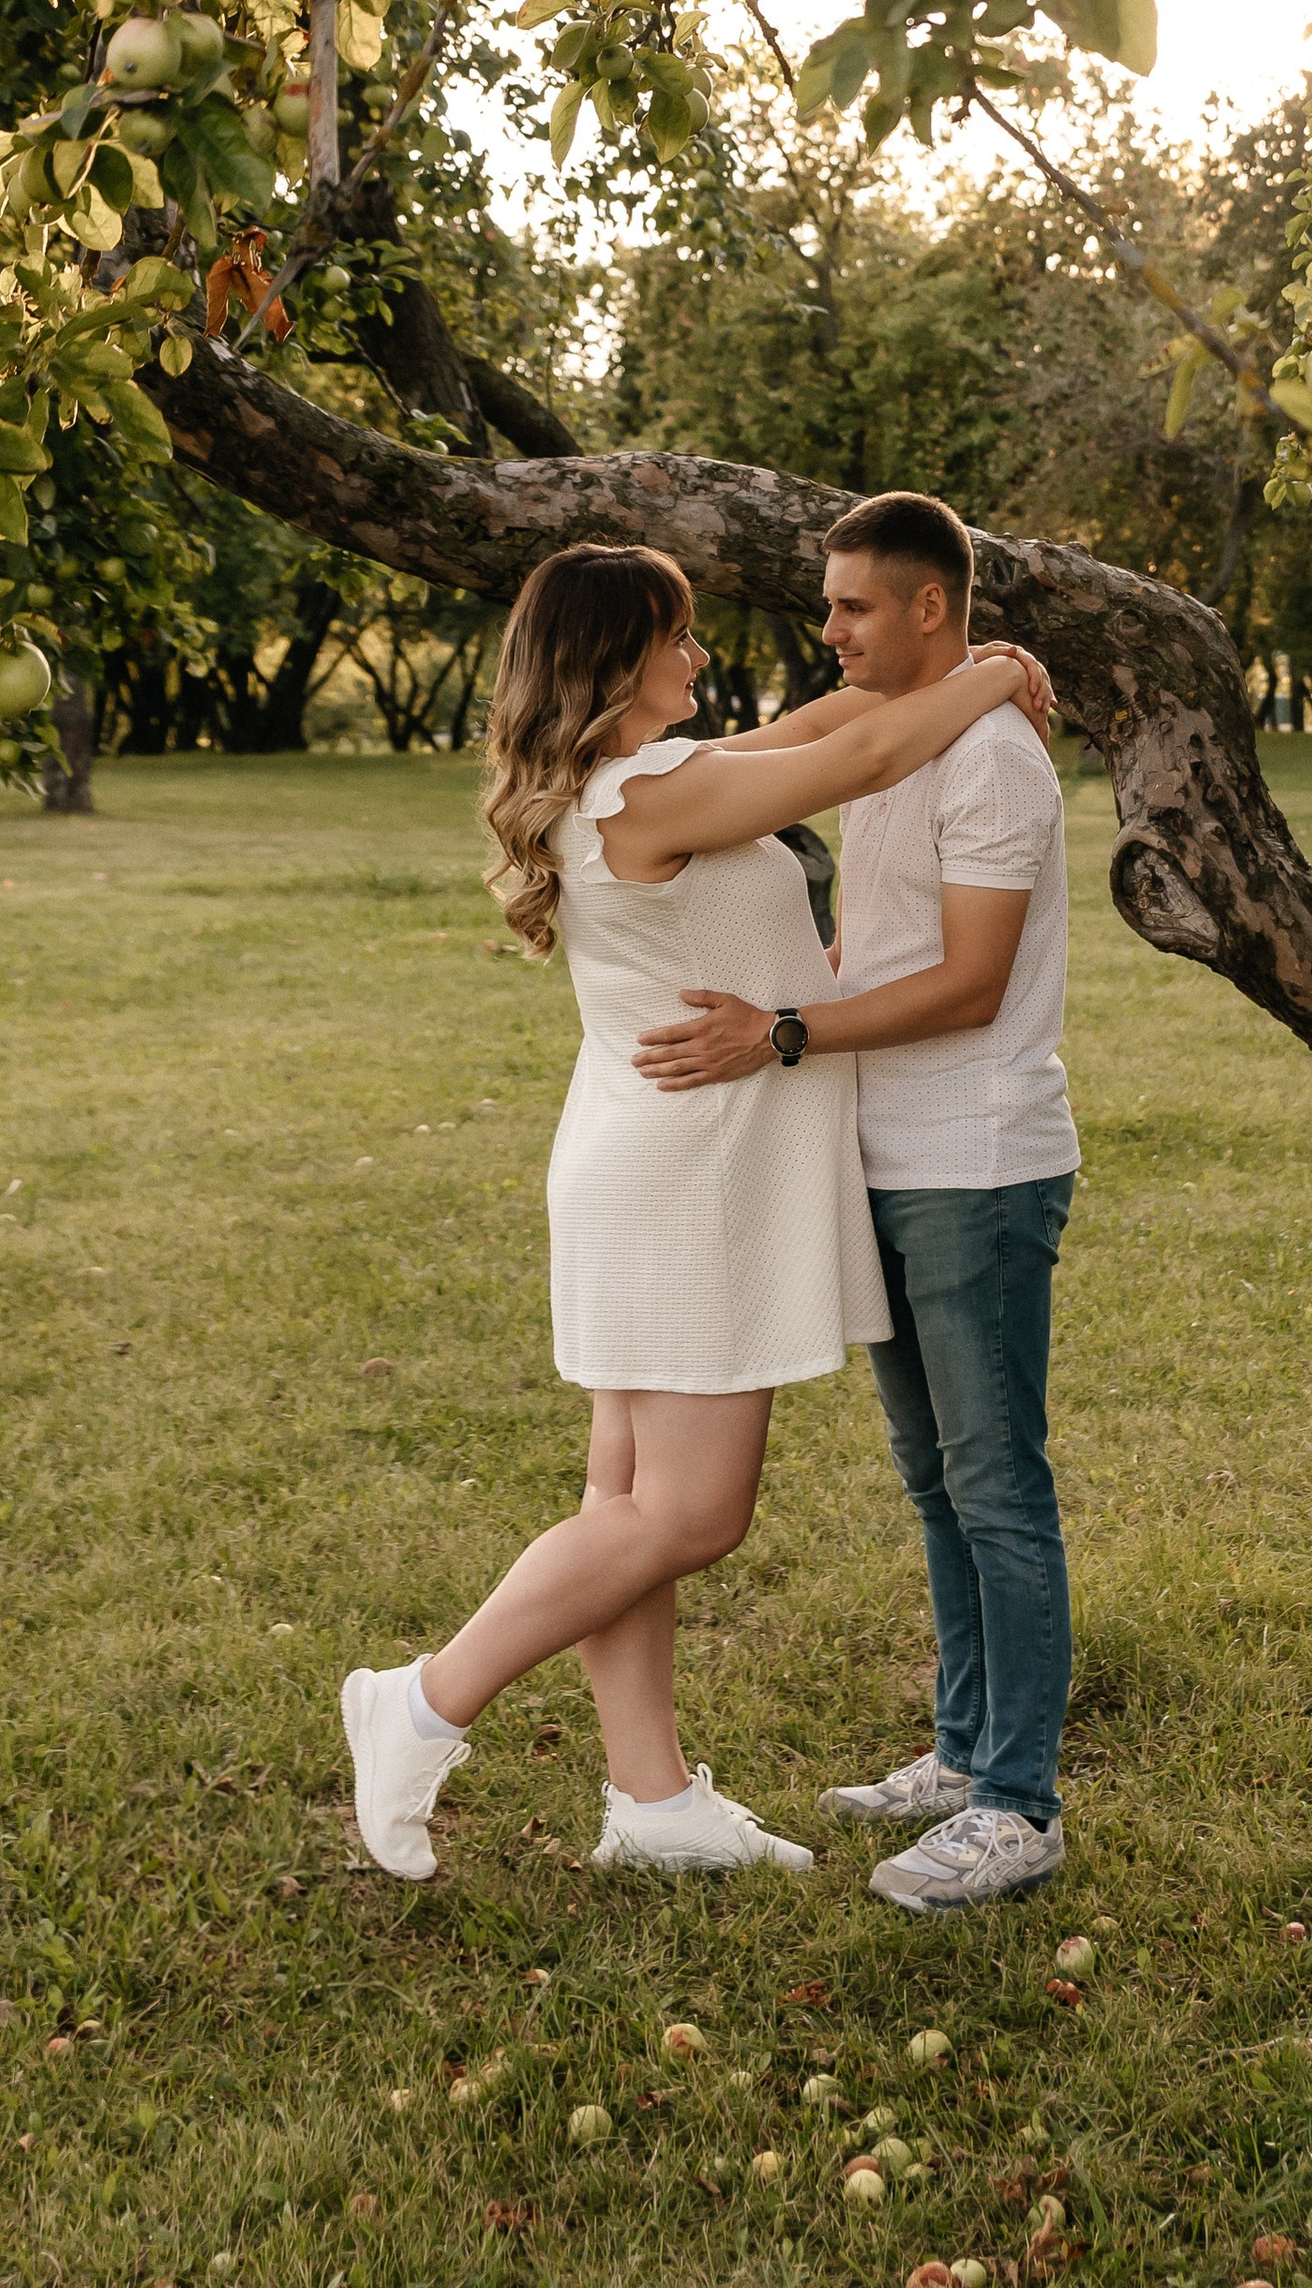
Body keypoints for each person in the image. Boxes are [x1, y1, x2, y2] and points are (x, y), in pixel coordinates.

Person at [339, 538, 1050, 1887]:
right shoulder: (645, 793)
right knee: (689, 1515)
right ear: (614, 656)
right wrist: (1000, 676)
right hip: (686, 1176)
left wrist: (965, 669)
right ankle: (424, 1698)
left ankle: (653, 1802)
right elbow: (850, 765)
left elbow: (808, 731)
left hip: (651, 1157)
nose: (699, 653)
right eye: (676, 633)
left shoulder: (637, 781)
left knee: (627, 1498)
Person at [639, 490, 1076, 1913]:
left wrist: (780, 1031)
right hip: (882, 1154)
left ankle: (1019, 1803)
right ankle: (961, 1754)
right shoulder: (889, 742)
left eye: (851, 608)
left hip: (976, 1160)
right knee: (936, 1481)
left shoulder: (991, 762)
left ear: (931, 607)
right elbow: (837, 885)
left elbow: (969, 984)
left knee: (998, 1487)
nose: (826, 631)